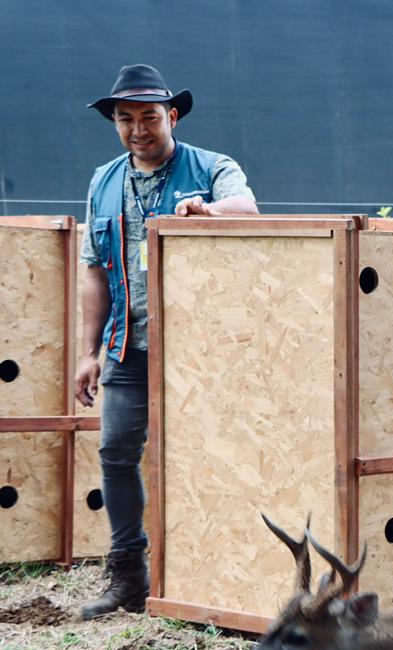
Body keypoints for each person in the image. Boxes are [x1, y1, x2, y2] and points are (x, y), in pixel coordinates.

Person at [76, 65, 259, 620]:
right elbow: (94, 272)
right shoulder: (103, 181)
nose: (138, 129)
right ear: (115, 123)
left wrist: (208, 210)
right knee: (116, 452)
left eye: (149, 117)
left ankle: (219, 580)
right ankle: (129, 577)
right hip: (128, 346)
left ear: (172, 116)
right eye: (125, 119)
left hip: (199, 351)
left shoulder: (212, 167)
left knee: (212, 457)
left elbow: (248, 209)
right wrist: (87, 352)